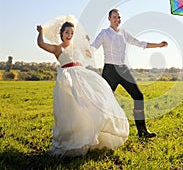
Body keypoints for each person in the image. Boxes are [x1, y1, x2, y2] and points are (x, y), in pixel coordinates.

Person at [36, 15, 129, 157]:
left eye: (72, 33)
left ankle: (95, 133)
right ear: (61, 34)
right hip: (68, 78)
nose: (69, 35)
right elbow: (41, 44)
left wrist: (87, 43)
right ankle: (76, 140)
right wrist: (40, 32)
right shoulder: (57, 49)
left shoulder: (76, 47)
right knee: (73, 111)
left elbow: (88, 54)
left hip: (83, 76)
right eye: (67, 32)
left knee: (93, 103)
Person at [91, 9, 168, 138]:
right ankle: (95, 131)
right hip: (110, 70)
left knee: (138, 96)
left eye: (119, 17)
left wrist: (158, 45)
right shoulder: (104, 33)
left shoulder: (124, 33)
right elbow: (94, 46)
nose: (117, 19)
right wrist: (86, 50)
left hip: (123, 70)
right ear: (109, 19)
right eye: (114, 17)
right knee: (103, 101)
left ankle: (142, 130)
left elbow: (139, 43)